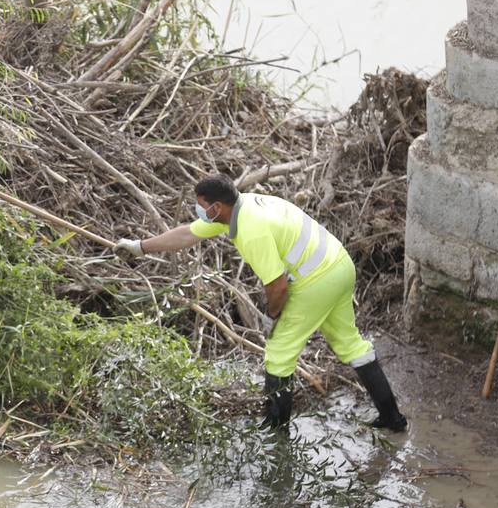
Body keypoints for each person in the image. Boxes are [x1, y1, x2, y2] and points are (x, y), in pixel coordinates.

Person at [113, 174, 406, 434]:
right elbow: (188, 233)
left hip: (316, 280)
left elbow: (277, 285)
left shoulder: (251, 229)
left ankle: (275, 435)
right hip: (339, 265)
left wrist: (271, 316)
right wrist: (140, 247)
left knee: (279, 353)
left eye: (202, 205)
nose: (200, 211)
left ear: (217, 207)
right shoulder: (243, 206)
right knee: (351, 344)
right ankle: (393, 419)